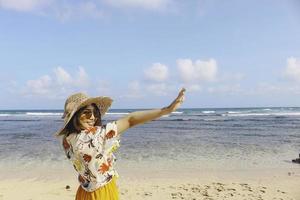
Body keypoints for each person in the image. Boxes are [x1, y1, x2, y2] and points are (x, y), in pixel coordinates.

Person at [55, 88, 186, 200]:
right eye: (86, 113)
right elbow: (130, 120)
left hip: (84, 192)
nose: (93, 118)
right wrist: (166, 110)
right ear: (75, 116)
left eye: (95, 113)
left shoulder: (67, 139)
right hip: (102, 192)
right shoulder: (96, 135)